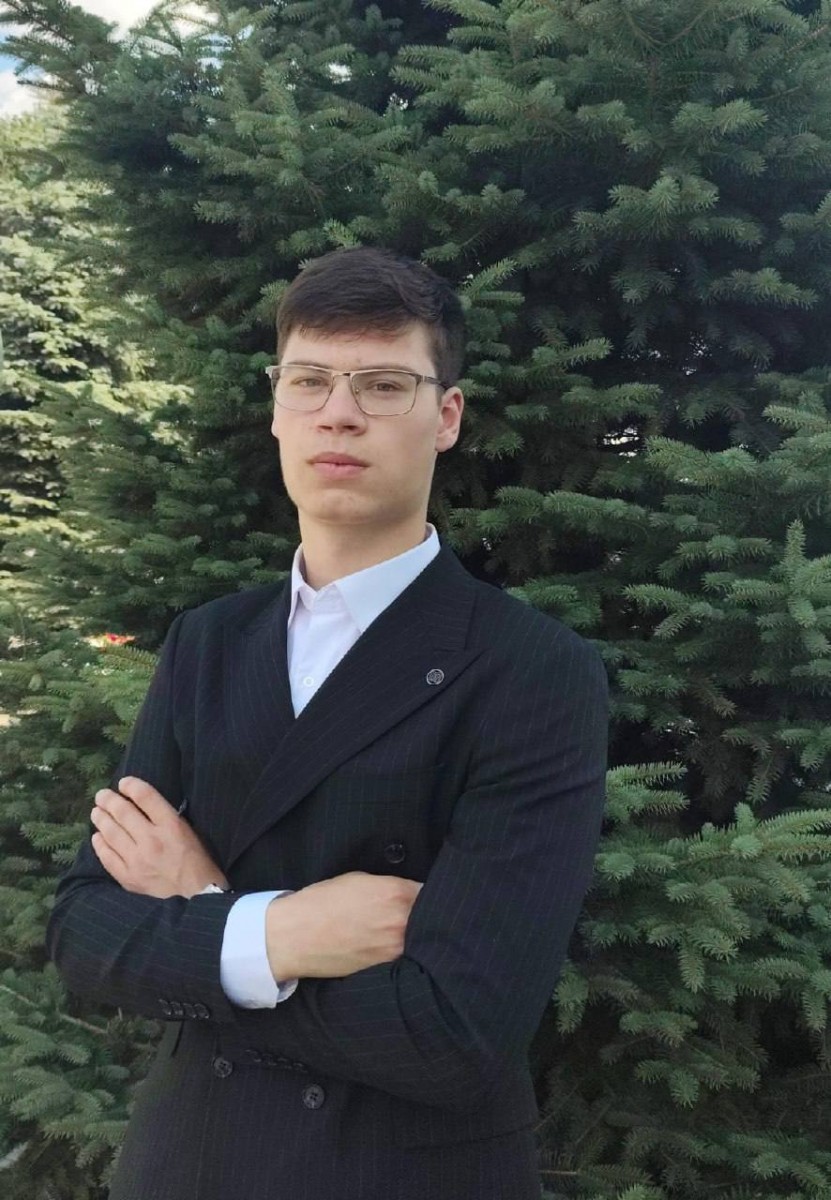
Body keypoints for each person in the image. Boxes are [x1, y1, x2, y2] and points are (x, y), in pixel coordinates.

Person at [46, 246, 609, 1200]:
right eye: (308, 380)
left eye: (383, 384)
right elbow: (84, 931)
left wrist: (195, 905)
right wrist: (273, 932)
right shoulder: (208, 642)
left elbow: (453, 1033)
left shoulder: (532, 669)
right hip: (191, 1164)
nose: (337, 412)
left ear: (446, 416)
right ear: (277, 408)